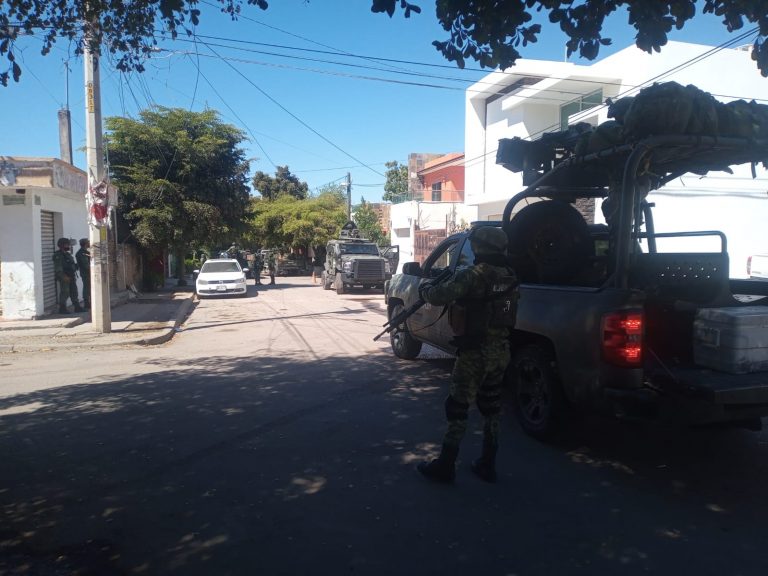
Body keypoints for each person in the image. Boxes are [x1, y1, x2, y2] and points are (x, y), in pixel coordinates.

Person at [416, 226, 518, 484]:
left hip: (475, 353)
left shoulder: (475, 275)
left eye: (475, 245)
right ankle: (488, 463)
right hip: (501, 350)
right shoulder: (509, 275)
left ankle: (446, 466)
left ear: (482, 247)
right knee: (492, 407)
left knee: (458, 407)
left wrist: (425, 290)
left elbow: (440, 295)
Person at [53, 237, 84, 314]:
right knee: (65, 292)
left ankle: (77, 307)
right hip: (65, 276)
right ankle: (62, 308)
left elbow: (72, 264)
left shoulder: (68, 254)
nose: (69, 246)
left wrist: (77, 265)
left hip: (71, 275)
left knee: (74, 291)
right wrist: (63, 276)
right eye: (67, 245)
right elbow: (58, 267)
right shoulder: (58, 255)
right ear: (62, 245)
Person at [75, 238, 91, 309]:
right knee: (86, 287)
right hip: (86, 273)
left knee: (89, 287)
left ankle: (89, 302)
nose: (89, 243)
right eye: (88, 242)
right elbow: (86, 265)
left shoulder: (85, 252)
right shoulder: (81, 253)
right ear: (85, 244)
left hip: (88, 273)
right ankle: (86, 303)